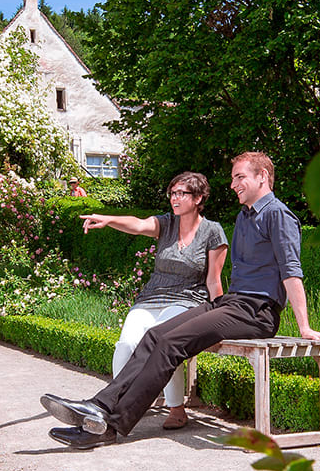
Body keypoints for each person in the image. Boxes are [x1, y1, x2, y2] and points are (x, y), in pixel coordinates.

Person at [42, 151, 320, 448]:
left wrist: (304, 327)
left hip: (257, 311)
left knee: (171, 343)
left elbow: (291, 272)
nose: (233, 185)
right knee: (155, 335)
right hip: (233, 303)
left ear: (262, 177)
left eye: (239, 177)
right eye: (233, 178)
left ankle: (107, 423)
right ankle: (99, 409)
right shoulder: (244, 217)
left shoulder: (278, 215)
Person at [80, 172, 229, 430]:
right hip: (150, 299)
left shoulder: (212, 231)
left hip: (187, 301)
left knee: (164, 343)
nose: (175, 198)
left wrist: (218, 322)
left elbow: (214, 281)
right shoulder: (166, 224)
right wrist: (107, 219)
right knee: (126, 344)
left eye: (181, 193)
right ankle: (115, 405)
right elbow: (137, 225)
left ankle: (177, 409)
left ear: (198, 198)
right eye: (172, 193)